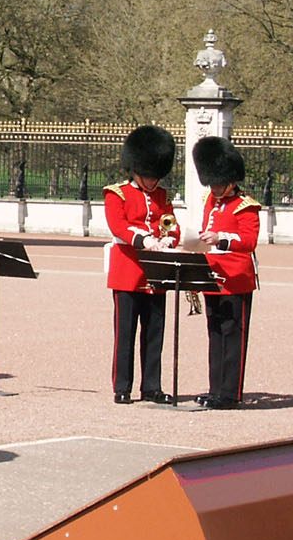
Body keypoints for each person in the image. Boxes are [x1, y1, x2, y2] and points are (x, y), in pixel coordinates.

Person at [104, 125, 179, 404]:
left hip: (156, 272)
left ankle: (151, 386)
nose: (152, 181)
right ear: (136, 169)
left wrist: (169, 239)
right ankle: (122, 386)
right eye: (148, 175)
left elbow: (171, 224)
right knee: (125, 334)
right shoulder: (117, 193)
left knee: (154, 333)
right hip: (128, 271)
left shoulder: (162, 195)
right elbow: (118, 226)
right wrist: (144, 239)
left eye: (155, 176)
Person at [193, 137, 260, 409]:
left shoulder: (246, 205)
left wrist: (221, 238)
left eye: (219, 183)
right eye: (213, 183)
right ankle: (215, 389)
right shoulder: (211, 200)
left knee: (233, 336)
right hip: (212, 275)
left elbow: (249, 241)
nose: (216, 188)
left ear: (231, 180)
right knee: (215, 334)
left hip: (235, 278)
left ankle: (230, 393)